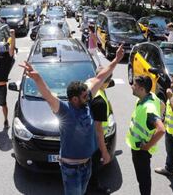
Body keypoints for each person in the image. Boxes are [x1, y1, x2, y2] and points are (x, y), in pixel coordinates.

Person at [19, 45, 124, 195]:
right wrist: (37, 78)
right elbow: (48, 95)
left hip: (87, 165)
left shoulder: (85, 99)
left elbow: (100, 77)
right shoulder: (64, 110)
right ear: (74, 99)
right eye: (84, 96)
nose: (88, 97)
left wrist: (116, 60)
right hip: (71, 169)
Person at [126, 75, 165, 195]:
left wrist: (147, 146)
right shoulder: (150, 96)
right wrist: (161, 115)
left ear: (142, 89)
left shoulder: (149, 108)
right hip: (137, 147)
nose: (132, 87)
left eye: (135, 86)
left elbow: (161, 130)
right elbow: (162, 105)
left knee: (143, 181)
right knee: (142, 179)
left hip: (141, 151)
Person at [86, 68, 113, 195]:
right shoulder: (100, 101)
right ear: (107, 82)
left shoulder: (88, 85)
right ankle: (93, 189)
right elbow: (99, 130)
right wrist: (104, 151)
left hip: (83, 138)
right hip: (93, 142)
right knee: (93, 167)